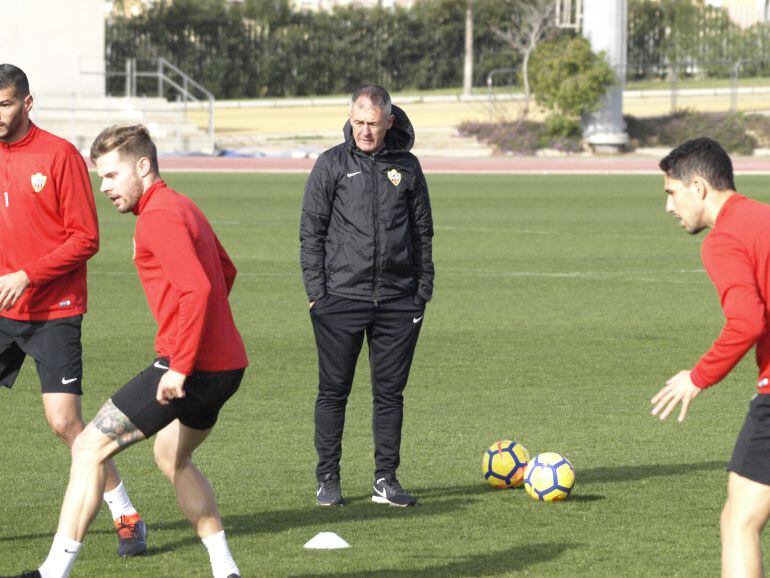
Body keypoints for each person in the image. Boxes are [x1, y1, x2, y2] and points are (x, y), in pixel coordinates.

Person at [3, 124, 248, 578]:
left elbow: (197, 289)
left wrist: (180, 363)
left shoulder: (158, 216)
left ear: (142, 166)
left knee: (89, 447)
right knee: (172, 458)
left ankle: (53, 572)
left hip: (186, 367)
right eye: (100, 178)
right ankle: (225, 569)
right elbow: (225, 273)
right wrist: (205, 338)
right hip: (227, 367)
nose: (104, 188)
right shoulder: (184, 206)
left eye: (112, 176)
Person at [0, 64, 146, 556]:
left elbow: (85, 238)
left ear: (27, 103)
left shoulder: (58, 155)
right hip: (0, 307)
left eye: (4, 104)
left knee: (65, 423)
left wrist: (27, 275)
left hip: (53, 308)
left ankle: (124, 511)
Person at [300, 84, 434, 507]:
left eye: (373, 124)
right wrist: (316, 294)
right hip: (340, 298)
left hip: (399, 301)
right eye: (358, 123)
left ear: (389, 121)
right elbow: (311, 233)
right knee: (333, 391)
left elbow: (422, 231)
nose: (364, 132)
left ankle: (385, 479)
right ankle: (327, 480)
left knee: (390, 394)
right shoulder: (331, 165)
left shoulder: (407, 167)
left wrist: (422, 290)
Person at [651, 137, 770, 577]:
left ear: (699, 187)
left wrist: (697, 377)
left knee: (739, 521)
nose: (669, 207)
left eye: (671, 192)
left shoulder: (724, 239)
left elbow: (747, 322)